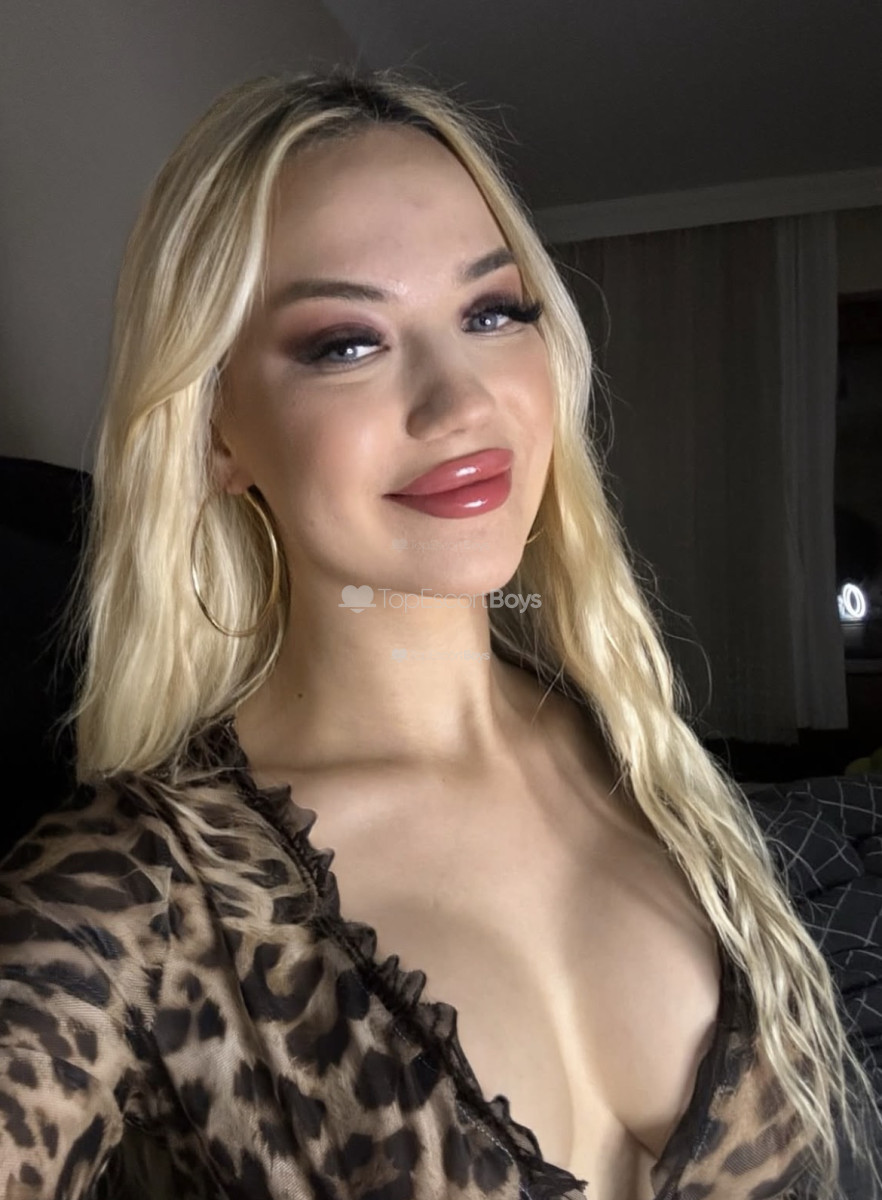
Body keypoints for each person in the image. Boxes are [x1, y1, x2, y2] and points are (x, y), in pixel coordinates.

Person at [0, 67, 880, 1200]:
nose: (461, 404)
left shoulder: (644, 757)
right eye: (346, 342)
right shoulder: (133, 900)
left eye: (493, 313)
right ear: (216, 431)